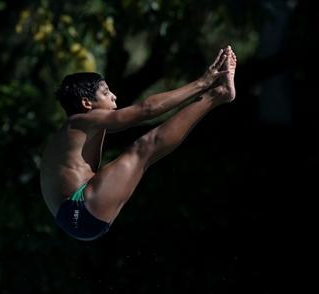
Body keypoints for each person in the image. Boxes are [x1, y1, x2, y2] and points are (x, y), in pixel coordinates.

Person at [40, 46, 237, 241]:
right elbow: (147, 109)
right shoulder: (78, 122)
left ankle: (218, 94)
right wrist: (201, 83)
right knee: (144, 147)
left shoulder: (82, 130)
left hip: (80, 216)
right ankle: (217, 94)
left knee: (147, 151)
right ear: (86, 103)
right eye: (106, 92)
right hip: (79, 210)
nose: (114, 96)